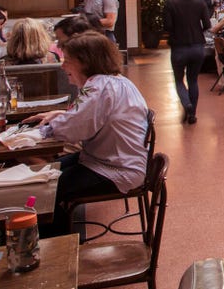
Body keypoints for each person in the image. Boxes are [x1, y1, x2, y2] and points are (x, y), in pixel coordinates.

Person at [25, 31, 149, 237]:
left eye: (68, 61)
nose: (63, 66)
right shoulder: (116, 81)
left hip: (117, 168)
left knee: (48, 190)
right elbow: (84, 117)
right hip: (113, 159)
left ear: (85, 62)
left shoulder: (100, 86)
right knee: (46, 175)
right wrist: (61, 115)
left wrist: (32, 135)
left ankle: (58, 251)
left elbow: (75, 127)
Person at [163, 0, 212, 124]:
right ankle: (193, 114)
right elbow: (208, 25)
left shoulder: (171, 3)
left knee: (178, 80)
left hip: (179, 47)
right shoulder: (200, 3)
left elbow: (167, 26)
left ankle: (187, 104)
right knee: (193, 80)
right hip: (197, 47)